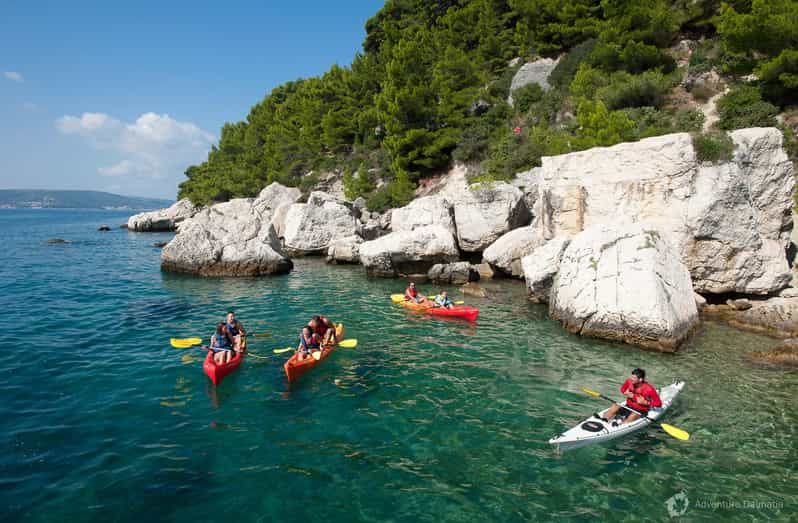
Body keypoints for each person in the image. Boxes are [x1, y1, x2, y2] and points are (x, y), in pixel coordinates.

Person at [597, 368, 662, 426]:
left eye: (634, 378)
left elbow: (659, 404)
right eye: (631, 377)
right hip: (628, 406)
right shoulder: (629, 381)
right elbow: (622, 389)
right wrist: (625, 393)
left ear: (640, 379)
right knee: (615, 406)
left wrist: (645, 403)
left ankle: (620, 425)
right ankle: (603, 420)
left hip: (641, 410)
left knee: (633, 415)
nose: (631, 379)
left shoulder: (649, 389)